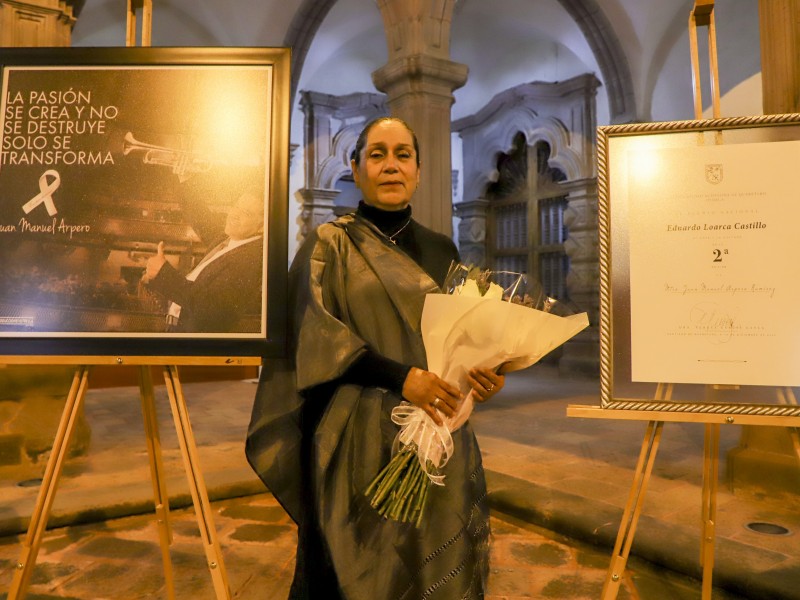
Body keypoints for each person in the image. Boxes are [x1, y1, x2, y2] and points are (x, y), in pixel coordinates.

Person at [245, 117, 505, 599]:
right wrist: (402, 378)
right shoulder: (329, 244)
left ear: (419, 170)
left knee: (430, 561)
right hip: (350, 437)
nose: (391, 166)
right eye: (378, 154)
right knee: (354, 565)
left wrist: (481, 376)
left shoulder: (441, 248)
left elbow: (457, 339)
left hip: (431, 432)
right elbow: (312, 333)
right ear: (356, 168)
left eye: (403, 155)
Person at [142, 188, 264, 333]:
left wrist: (164, 274)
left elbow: (213, 307)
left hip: (193, 340)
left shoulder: (253, 258)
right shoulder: (228, 240)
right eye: (236, 206)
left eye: (246, 213)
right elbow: (200, 218)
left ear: (262, 226)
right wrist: (185, 181)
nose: (234, 214)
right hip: (179, 329)